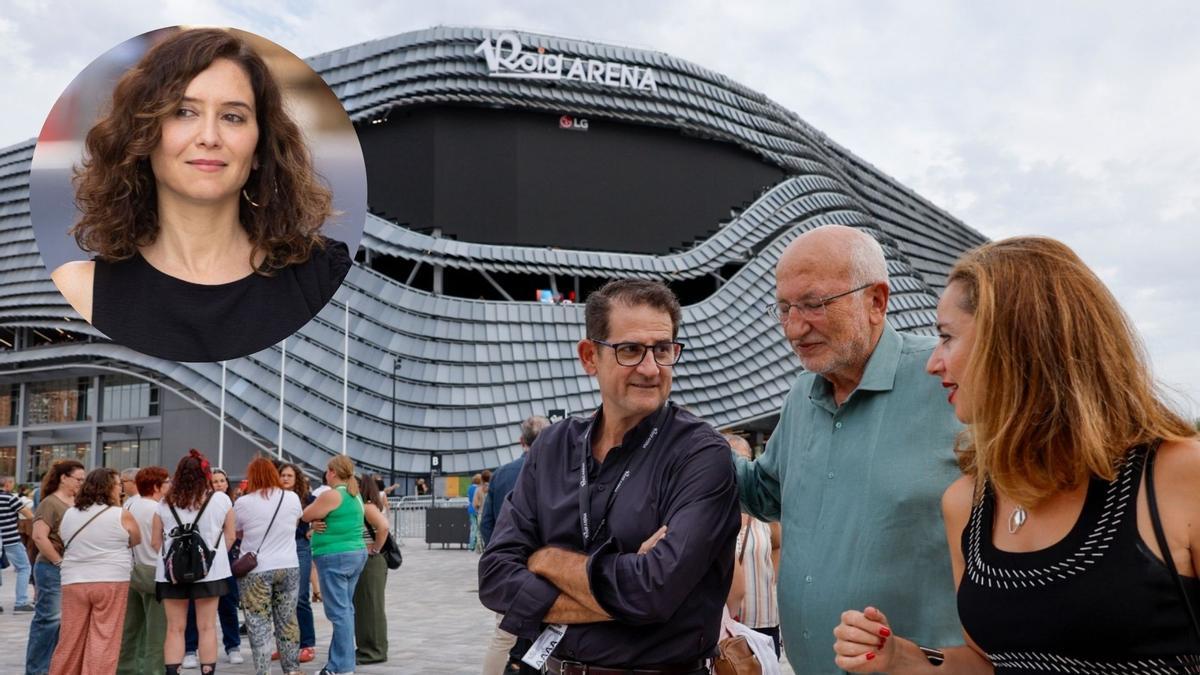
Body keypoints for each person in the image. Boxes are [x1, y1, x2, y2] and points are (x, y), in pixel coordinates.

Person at [833, 236, 1200, 672]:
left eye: (947, 338)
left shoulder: (1177, 476)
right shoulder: (965, 503)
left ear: (1014, 343)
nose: (933, 363)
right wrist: (901, 657)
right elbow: (990, 664)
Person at [733, 225, 964, 673]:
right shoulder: (801, 397)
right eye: (784, 308)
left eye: (814, 304)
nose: (795, 328)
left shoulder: (948, 381)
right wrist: (682, 439)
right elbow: (765, 493)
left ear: (877, 301)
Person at [479, 279, 740, 674]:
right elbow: (496, 576)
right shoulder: (552, 447)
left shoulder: (700, 455)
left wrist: (547, 560)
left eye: (663, 349)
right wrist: (619, 589)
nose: (650, 369)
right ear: (589, 356)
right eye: (630, 350)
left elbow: (653, 592)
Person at [51, 27, 348, 363]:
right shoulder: (80, 291)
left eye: (233, 117)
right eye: (184, 112)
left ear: (259, 150)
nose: (209, 137)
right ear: (143, 135)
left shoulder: (324, 277)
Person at [48, 467, 141, 674]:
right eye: (119, 485)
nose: (121, 489)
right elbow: (136, 539)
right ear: (109, 488)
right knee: (104, 636)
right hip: (111, 579)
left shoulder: (70, 513)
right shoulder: (121, 514)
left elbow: (64, 539)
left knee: (70, 637)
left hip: (74, 580)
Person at [478, 415, 550, 675]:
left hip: (510, 564)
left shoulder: (501, 474)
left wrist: (497, 555)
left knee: (503, 635)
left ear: (522, 442)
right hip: (548, 567)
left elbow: (486, 522)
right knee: (548, 634)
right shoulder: (555, 472)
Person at [153, 449, 236, 675]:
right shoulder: (220, 499)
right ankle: (207, 671)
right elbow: (231, 536)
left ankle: (173, 671)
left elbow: (155, 541)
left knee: (175, 628)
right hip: (210, 572)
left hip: (171, 573)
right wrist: (211, 556)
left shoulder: (164, 502)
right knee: (207, 626)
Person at [233, 458, 303, 675]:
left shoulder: (244, 503)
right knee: (287, 619)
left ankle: (263, 671)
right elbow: (295, 523)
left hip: (257, 570)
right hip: (289, 565)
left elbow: (237, 533)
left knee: (258, 623)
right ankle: (292, 669)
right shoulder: (291, 497)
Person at [302, 455, 367, 675]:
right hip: (355, 554)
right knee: (346, 610)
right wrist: (317, 521)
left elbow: (306, 514)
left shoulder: (332, 495)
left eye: (327, 471)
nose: (326, 475)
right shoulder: (354, 494)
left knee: (339, 613)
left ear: (333, 472)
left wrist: (314, 521)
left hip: (334, 556)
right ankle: (337, 663)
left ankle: (343, 666)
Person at [25, 459, 86, 675]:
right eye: (78, 479)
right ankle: (37, 670)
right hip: (52, 568)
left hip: (71, 569)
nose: (81, 483)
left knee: (63, 624)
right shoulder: (50, 503)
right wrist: (58, 562)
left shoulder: (76, 502)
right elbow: (39, 537)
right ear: (64, 478)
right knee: (48, 621)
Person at [725, 435, 783, 657]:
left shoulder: (763, 512)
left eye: (745, 460)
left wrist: (770, 577)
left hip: (765, 618)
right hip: (732, 624)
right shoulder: (714, 512)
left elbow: (778, 545)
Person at [183, 467, 243, 667]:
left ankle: (232, 646)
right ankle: (190, 648)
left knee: (228, 605)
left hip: (226, 560)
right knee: (194, 606)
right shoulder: (202, 503)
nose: (218, 484)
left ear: (227, 483)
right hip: (206, 560)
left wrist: (220, 556)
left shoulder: (231, 504)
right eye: (214, 481)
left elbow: (234, 533)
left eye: (222, 481)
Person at [117, 465, 171, 675]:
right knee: (156, 634)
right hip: (154, 572)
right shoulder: (158, 509)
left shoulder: (130, 504)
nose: (170, 486)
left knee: (131, 630)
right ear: (157, 486)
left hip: (132, 570)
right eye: (167, 482)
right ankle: (153, 671)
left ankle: (125, 670)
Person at [280, 462, 317, 663]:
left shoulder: (308, 499)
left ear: (297, 479)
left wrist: (313, 528)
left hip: (300, 546)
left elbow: (325, 515)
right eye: (282, 475)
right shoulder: (274, 497)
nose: (285, 478)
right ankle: (284, 642)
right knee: (281, 599)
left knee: (301, 596)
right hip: (278, 548)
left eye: (289, 475)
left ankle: (307, 644)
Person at [352, 473, 391, 665]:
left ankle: (373, 651)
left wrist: (374, 548)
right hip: (368, 561)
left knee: (370, 607)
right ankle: (370, 648)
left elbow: (383, 527)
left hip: (371, 561)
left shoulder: (366, 507)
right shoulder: (365, 505)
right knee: (366, 606)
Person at [0, 475, 35, 612]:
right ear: (7, 484)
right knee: (24, 568)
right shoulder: (10, 498)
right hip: (11, 539)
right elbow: (29, 515)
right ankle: (21, 602)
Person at [467, 473, 482, 551]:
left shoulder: (469, 488)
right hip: (478, 509)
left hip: (470, 509)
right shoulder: (479, 489)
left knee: (473, 528)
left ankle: (471, 545)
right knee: (478, 528)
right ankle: (477, 546)